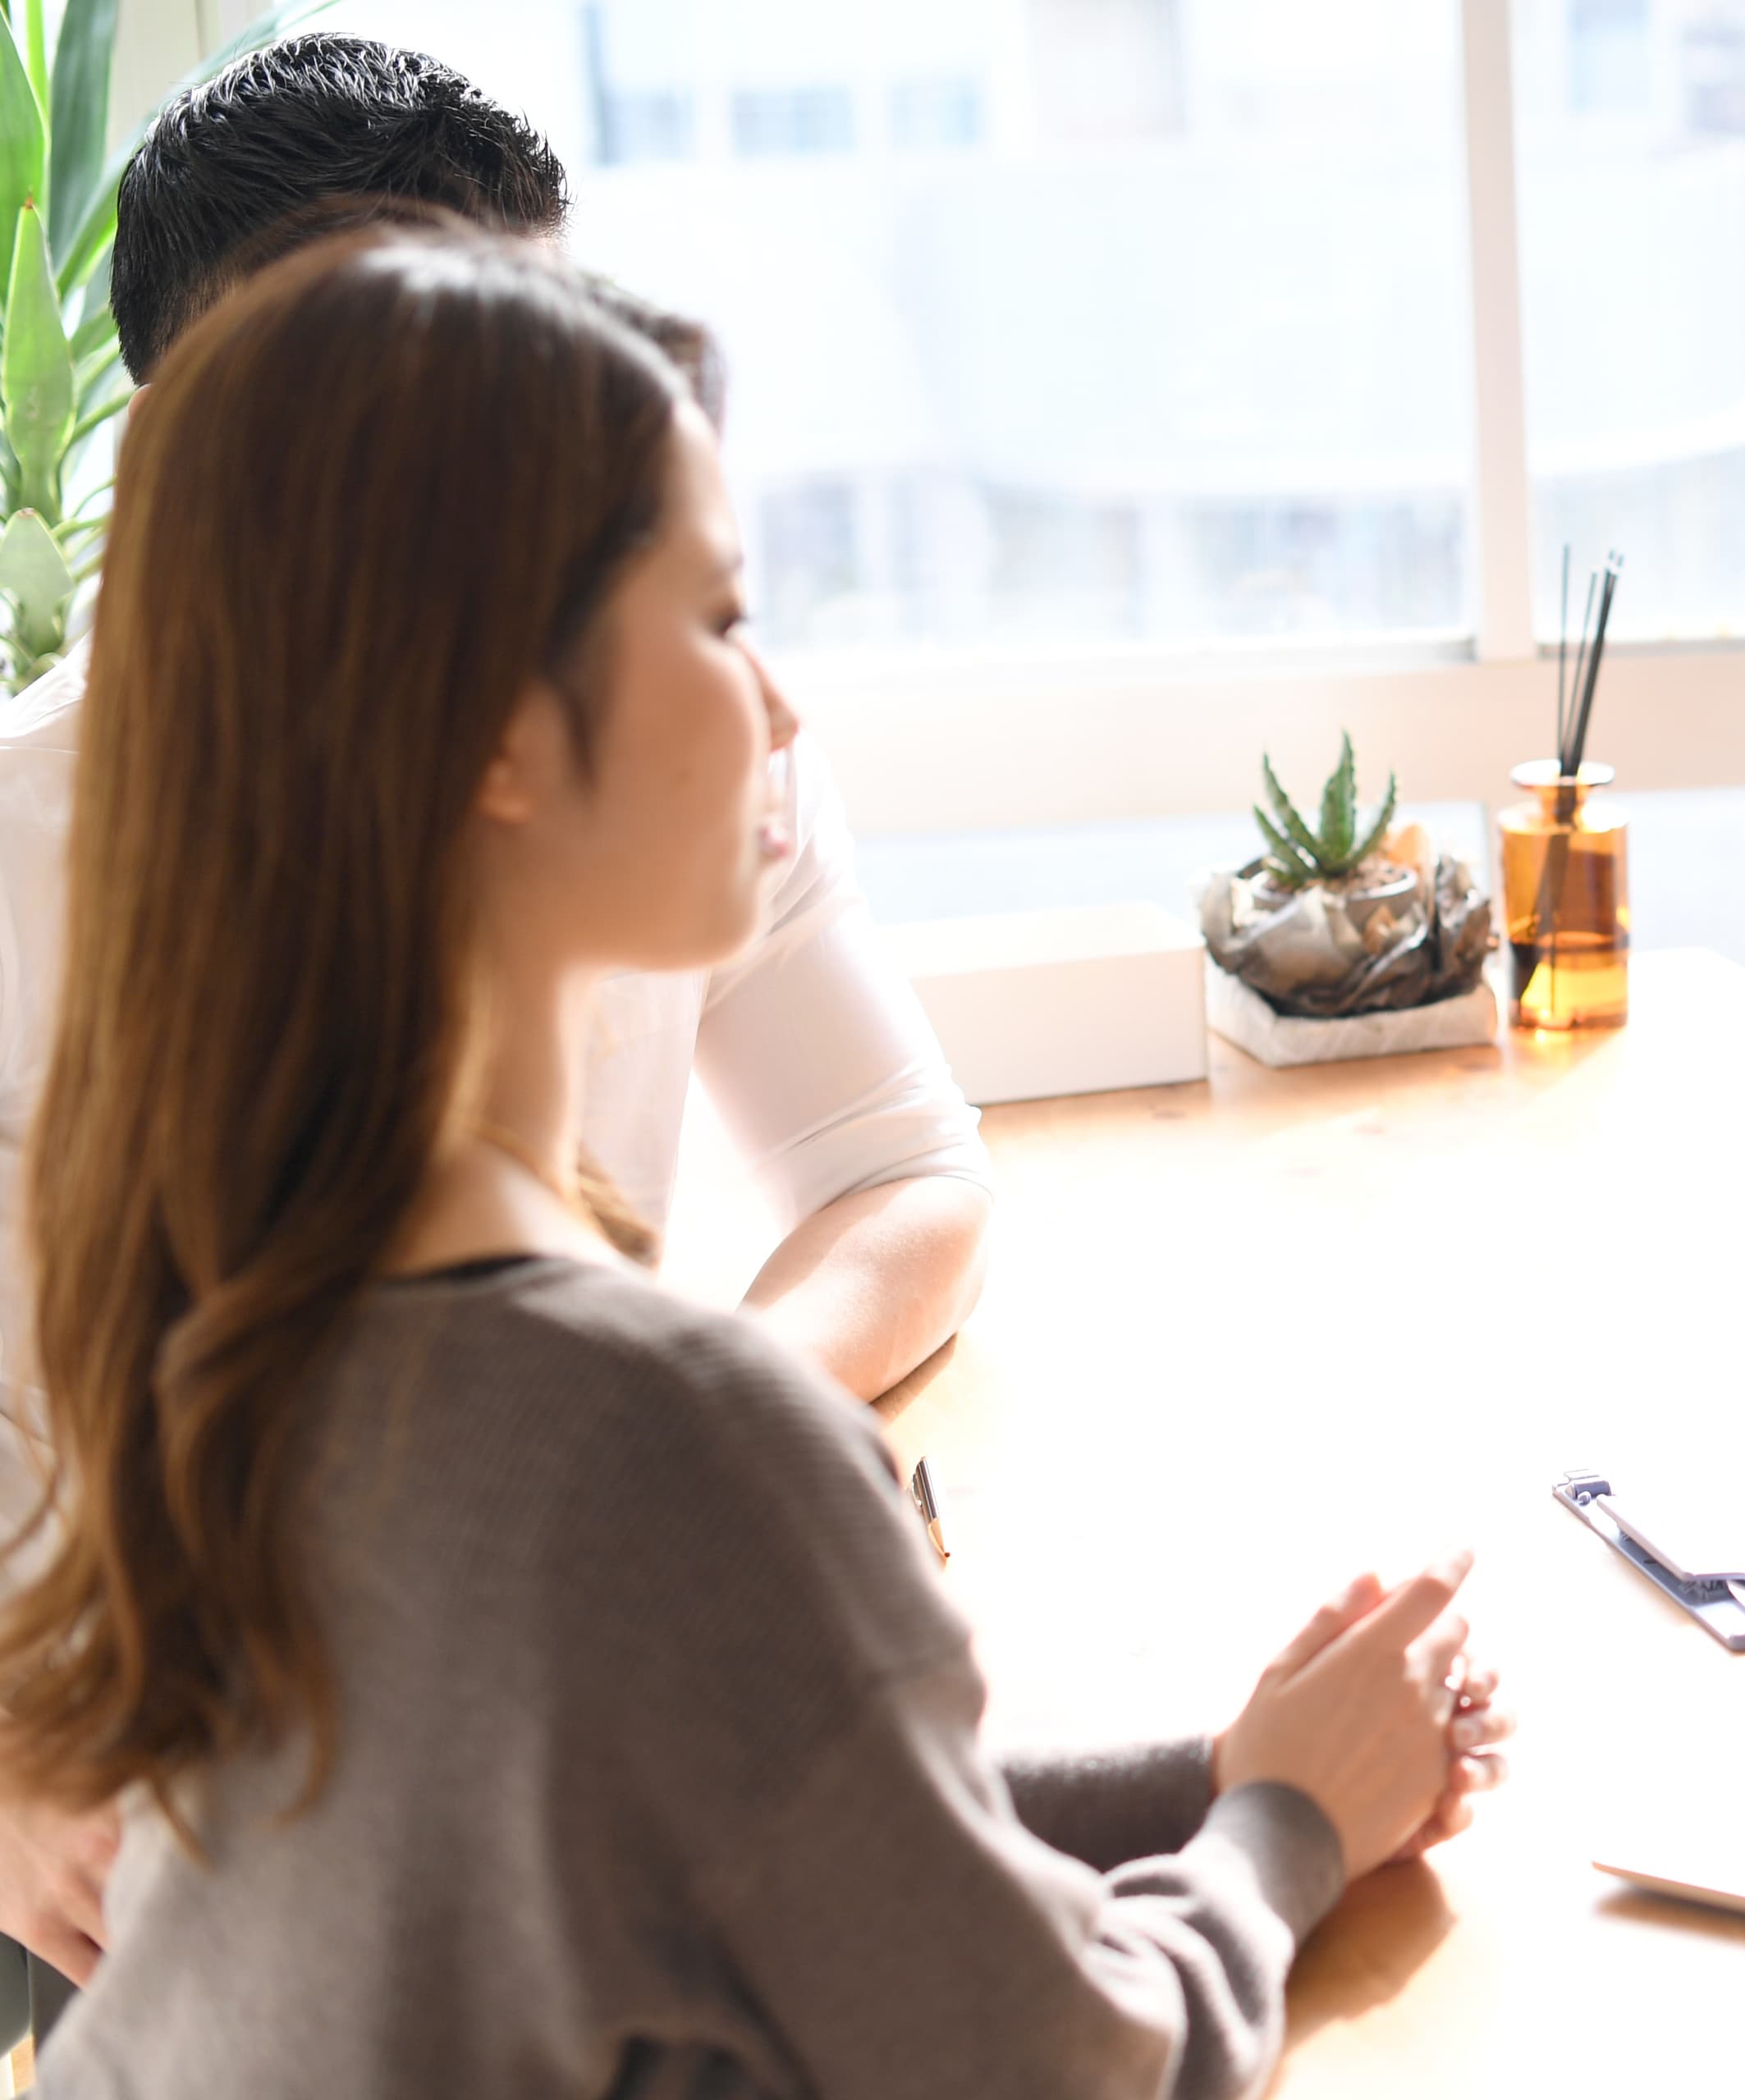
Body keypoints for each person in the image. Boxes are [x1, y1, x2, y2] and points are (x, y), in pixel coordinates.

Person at [7, 223, 1509, 2094]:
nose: (780, 704)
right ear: (489, 728)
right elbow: (1082, 2070)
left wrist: (1234, 1770)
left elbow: (752, 1818)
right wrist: (1282, 1831)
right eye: (718, 618)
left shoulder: (249, 1343)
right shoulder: (657, 1440)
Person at [0, 35, 993, 1983]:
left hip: (545, 1684)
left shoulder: (671, 725)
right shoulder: (21, 844)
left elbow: (899, 1169)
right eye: (437, 362)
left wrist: (711, 1449)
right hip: (132, 1807)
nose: (541, 437)